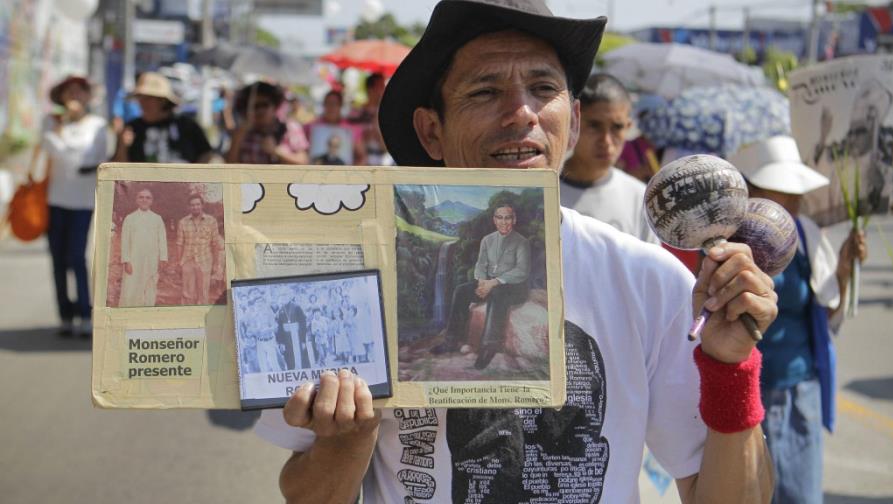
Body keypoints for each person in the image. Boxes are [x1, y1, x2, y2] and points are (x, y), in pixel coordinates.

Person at [256, 1, 776, 503]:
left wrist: (732, 369)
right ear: (432, 131)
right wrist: (348, 436)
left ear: (572, 122)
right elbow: (307, 496)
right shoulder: (357, 284)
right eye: (485, 91)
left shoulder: (650, 282)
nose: (521, 112)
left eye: (543, 88)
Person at [728, 135, 868, 504]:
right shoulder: (728, 240)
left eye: (795, 192)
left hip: (799, 390)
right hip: (745, 393)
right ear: (753, 191)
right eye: (782, 191)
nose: (793, 200)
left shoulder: (806, 233)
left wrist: (843, 271)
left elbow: (826, 313)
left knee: (801, 495)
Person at [42, 75, 108, 338]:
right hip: (55, 200)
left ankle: (85, 312)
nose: (74, 96)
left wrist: (68, 143)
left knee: (77, 257)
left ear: (87, 96)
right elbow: (54, 148)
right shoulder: (52, 121)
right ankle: (65, 315)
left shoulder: (97, 125)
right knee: (58, 259)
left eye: (79, 91)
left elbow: (95, 157)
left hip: (82, 202)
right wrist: (63, 126)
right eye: (69, 92)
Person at [560, 73, 659, 245]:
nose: (606, 141)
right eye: (594, 126)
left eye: (617, 127)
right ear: (573, 123)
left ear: (628, 127)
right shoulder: (543, 192)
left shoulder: (640, 198)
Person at [434, 204, 531, 369]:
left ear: (514, 220)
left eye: (507, 218)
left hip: (514, 287)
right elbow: (481, 264)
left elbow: (521, 271)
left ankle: (489, 346)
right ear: (494, 220)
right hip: (489, 283)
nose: (503, 222)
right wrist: (481, 282)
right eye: (499, 218)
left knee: (498, 294)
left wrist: (493, 283)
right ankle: (451, 341)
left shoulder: (522, 242)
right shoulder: (487, 240)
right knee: (462, 290)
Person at [112, 72, 213, 164]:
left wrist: (193, 174)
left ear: (162, 101)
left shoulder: (187, 126)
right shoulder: (131, 128)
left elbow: (207, 154)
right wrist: (122, 146)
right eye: (140, 97)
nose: (143, 102)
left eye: (149, 98)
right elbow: (118, 167)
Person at [226, 81, 310, 165]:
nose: (260, 110)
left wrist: (276, 151)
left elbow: (303, 162)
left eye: (264, 105)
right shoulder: (243, 132)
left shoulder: (290, 128)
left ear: (275, 106)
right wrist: (237, 139)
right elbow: (230, 165)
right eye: (255, 106)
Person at [118, 188, 168, 307]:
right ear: (137, 200)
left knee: (150, 286)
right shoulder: (130, 218)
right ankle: (129, 311)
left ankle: (146, 311)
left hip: (152, 259)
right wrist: (126, 261)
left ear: (151, 201)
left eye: (147, 197)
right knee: (131, 286)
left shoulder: (157, 218)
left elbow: (162, 240)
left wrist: (163, 258)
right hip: (134, 259)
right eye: (141, 197)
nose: (144, 200)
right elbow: (125, 241)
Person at [175, 194, 223, 305]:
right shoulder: (183, 222)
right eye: (192, 205)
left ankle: (202, 314)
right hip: (187, 261)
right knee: (187, 294)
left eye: (197, 204)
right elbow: (179, 244)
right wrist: (179, 263)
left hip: (205, 261)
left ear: (202, 205)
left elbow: (215, 244)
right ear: (189, 207)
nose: (195, 207)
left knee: (203, 294)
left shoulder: (211, 221)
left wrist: (215, 264)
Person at [305, 90, 366, 165]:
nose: (331, 107)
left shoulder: (352, 129)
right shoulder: (311, 127)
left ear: (340, 106)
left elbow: (361, 157)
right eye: (328, 103)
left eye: (335, 104)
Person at [349, 72, 392, 165]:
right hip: (358, 163)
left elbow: (388, 147)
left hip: (382, 164)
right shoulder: (355, 113)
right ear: (370, 89)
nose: (384, 90)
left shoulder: (387, 115)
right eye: (381, 86)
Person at [276, 288, 308, 369]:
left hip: (297, 336)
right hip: (286, 338)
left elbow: (303, 323)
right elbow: (280, 328)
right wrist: (281, 342)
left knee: (300, 357)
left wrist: (303, 340)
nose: (284, 297)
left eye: (285, 295)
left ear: (289, 296)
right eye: (282, 295)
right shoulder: (280, 310)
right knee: (289, 357)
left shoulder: (297, 307)